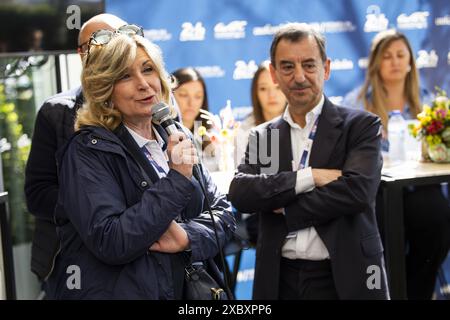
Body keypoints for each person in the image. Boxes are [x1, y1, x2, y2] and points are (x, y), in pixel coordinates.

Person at [45, 30, 235, 299]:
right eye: (125, 76)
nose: (144, 83)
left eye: (148, 70)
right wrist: (177, 179)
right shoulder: (86, 151)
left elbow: (223, 214)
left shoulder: (176, 134)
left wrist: (186, 237)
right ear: (105, 90)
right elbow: (111, 240)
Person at [228, 23, 389, 300]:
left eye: (309, 65)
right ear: (274, 73)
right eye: (288, 66)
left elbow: (357, 192)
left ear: (325, 68)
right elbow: (243, 194)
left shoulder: (360, 126)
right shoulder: (264, 136)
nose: (299, 76)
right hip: (280, 278)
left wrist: (286, 207)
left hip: (345, 275)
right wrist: (311, 177)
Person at [24, 13, 128, 294]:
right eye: (101, 42)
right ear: (81, 54)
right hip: (71, 262)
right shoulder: (56, 112)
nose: (113, 49)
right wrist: (100, 210)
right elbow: (38, 195)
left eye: (123, 39)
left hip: (140, 257)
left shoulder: (154, 107)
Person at [342, 29, 450, 300]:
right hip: (375, 192)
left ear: (411, 61)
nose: (395, 61)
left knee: (437, 216)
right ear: (376, 62)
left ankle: (418, 293)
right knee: (377, 228)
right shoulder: (356, 103)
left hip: (420, 189)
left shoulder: (429, 103)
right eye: (387, 56)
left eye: (401, 55)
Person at [237, 60, 287, 245]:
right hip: (259, 213)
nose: (271, 95)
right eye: (263, 89)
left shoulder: (301, 123)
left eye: (277, 87)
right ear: (255, 93)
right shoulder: (247, 129)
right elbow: (245, 185)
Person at [172, 67, 218, 171]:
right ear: (170, 96)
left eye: (197, 96)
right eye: (183, 95)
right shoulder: (160, 136)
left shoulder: (211, 135)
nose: (191, 103)